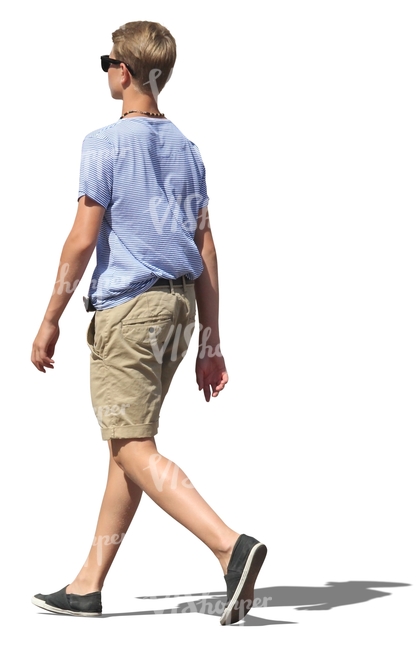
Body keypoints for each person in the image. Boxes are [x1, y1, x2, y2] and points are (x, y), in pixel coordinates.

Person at [30, 20, 267, 625]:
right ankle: (88, 583)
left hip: (129, 311)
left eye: (106, 59)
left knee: (132, 444)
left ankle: (227, 546)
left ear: (125, 70)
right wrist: (211, 341)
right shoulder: (188, 149)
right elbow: (206, 245)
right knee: (125, 447)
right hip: (179, 311)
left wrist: (50, 316)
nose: (106, 68)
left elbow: (82, 241)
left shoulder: (103, 144)